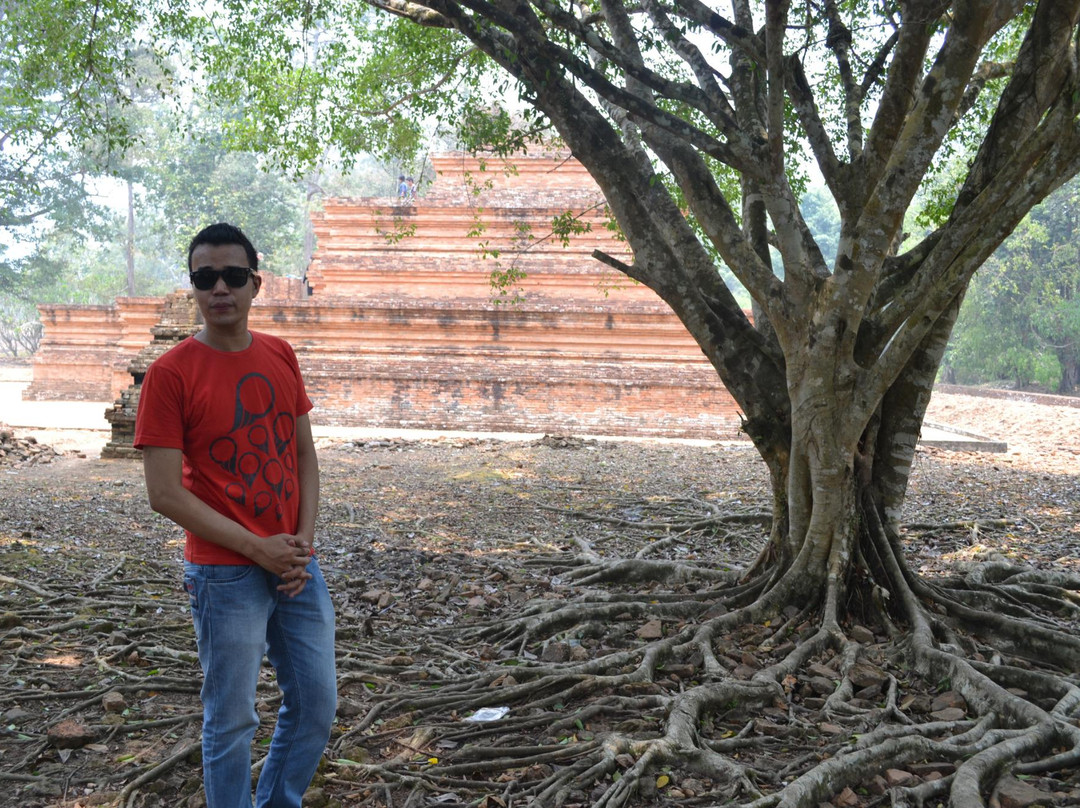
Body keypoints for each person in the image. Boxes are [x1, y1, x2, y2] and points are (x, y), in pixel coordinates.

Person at [135, 222, 336, 808]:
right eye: (205, 278)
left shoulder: (280, 354)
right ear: (193, 286)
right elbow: (164, 494)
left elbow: (303, 456)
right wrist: (258, 548)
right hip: (224, 573)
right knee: (231, 721)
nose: (219, 288)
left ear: (255, 283)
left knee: (317, 703)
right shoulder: (170, 374)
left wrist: (300, 545)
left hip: (293, 564)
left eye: (232, 275)